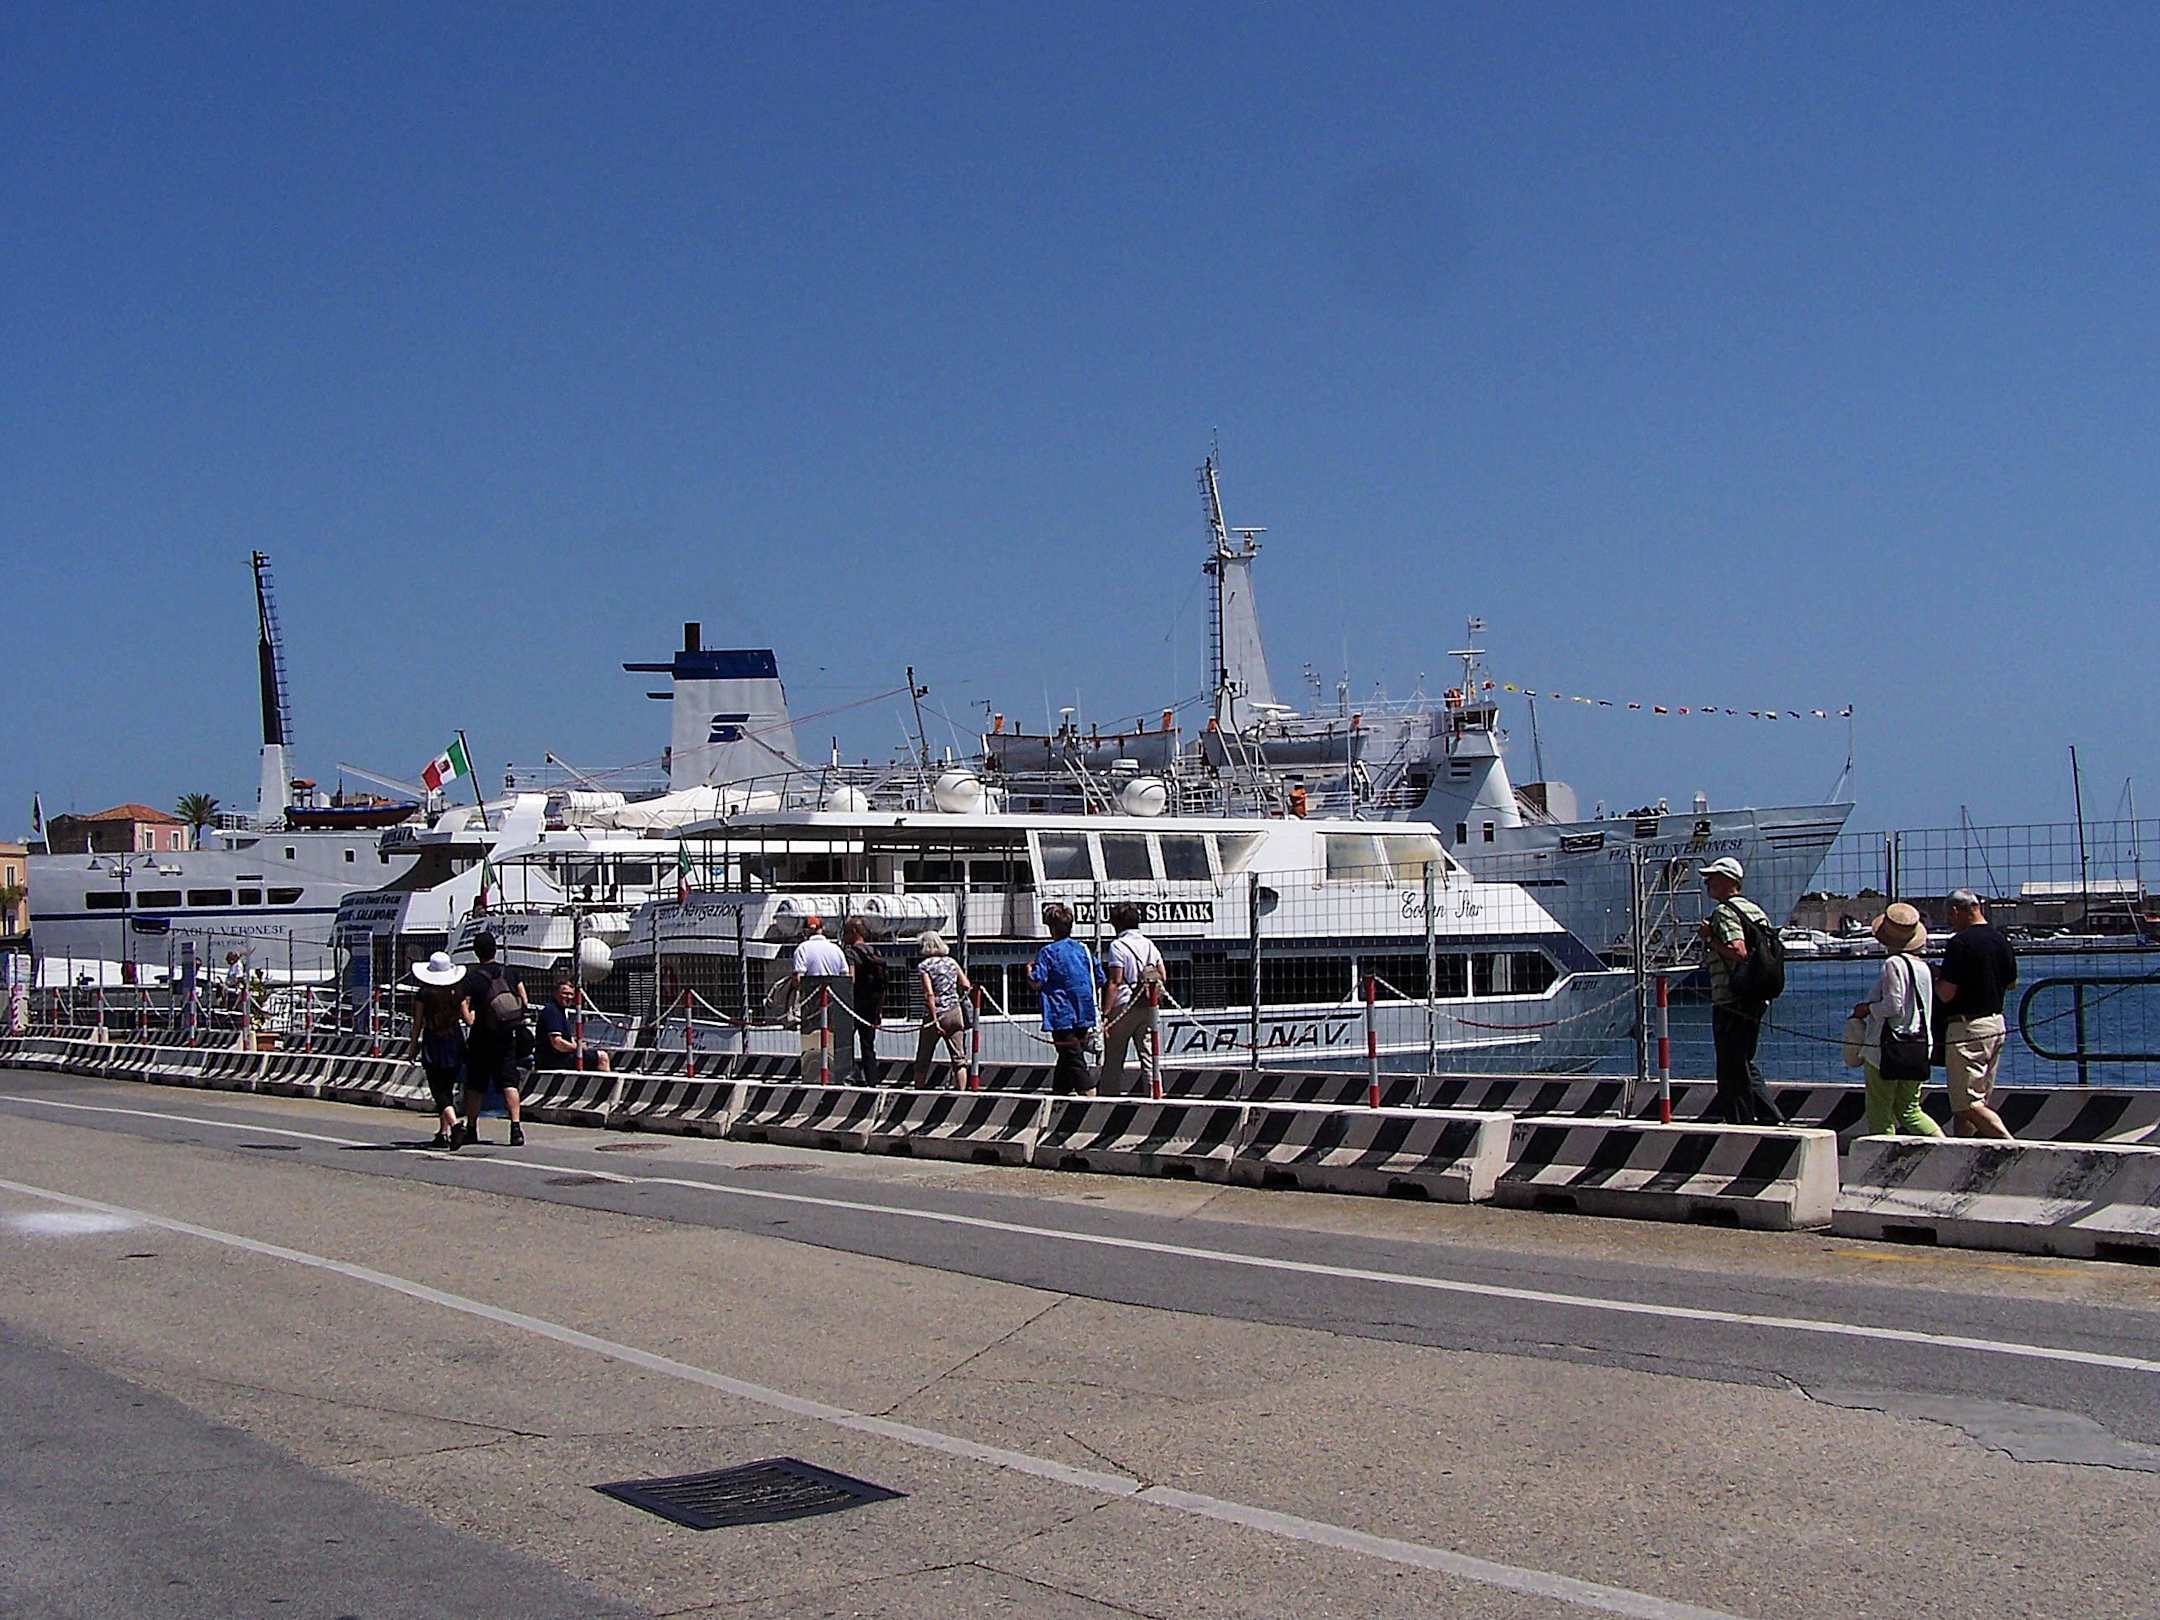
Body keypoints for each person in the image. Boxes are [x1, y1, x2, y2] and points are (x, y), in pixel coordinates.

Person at [1695, 856, 1783, 1125]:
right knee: (1743, 1059)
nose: (1707, 883)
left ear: (1728, 881)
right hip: (1757, 994)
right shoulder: (1755, 910)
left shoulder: (1724, 912)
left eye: (1712, 878)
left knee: (1730, 1064)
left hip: (1732, 997)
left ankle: (1740, 1121)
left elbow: (1738, 951)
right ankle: (1770, 1116)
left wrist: (1710, 938)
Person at [1853, 902, 1943, 1137]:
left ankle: (1881, 1152)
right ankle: (1943, 1144)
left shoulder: (1893, 964)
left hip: (1887, 1048)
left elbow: (1893, 1006)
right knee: (1909, 1109)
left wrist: (1867, 1009)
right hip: (1918, 1046)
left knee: (1880, 1111)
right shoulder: (1923, 967)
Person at [1936, 889, 2016, 1139]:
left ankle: (2013, 1146)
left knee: (1967, 1104)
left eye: (1949, 916)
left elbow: (1946, 993)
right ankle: (1963, 1149)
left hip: (1967, 1028)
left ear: (1956, 911)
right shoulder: (2000, 940)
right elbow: (2011, 983)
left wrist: (1935, 978)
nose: (1949, 922)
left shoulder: (1959, 943)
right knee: (1975, 1101)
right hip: (1995, 1024)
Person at [457, 932, 528, 1148]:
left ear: (476, 952)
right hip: (506, 1037)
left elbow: (462, 1004)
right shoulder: (511, 972)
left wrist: (471, 1021)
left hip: (481, 1038)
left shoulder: (473, 978)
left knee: (475, 1085)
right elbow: (524, 1001)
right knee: (509, 1083)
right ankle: (516, 1128)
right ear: (495, 949)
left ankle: (472, 1128)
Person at [1029, 902, 1099, 1095]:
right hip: (1084, 1010)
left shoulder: (1048, 952)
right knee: (1068, 1054)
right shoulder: (1083, 950)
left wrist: (1029, 971)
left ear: (1052, 928)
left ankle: (1089, 1092)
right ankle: (1060, 1090)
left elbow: (1037, 981)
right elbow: (1099, 977)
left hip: (1061, 1012)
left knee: (1072, 1055)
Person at [1099, 903, 1166, 1095]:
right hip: (1148, 1004)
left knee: (1114, 1055)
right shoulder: (1149, 944)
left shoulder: (1118, 946)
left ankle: (1109, 1096)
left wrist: (1106, 1014)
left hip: (1124, 1005)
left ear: (1117, 923)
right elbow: (1162, 974)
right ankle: (1154, 1092)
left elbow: (1115, 981)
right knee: (1148, 1054)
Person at [410, 950, 469, 1149]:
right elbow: (468, 1019)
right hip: (455, 1040)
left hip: (433, 1041)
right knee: (447, 1088)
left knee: (438, 1090)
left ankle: (455, 1126)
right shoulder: (457, 992)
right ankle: (443, 1132)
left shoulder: (424, 994)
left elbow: (418, 1023)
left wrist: (413, 1047)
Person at [789, 914, 854, 1082]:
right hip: (836, 1000)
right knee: (834, 1039)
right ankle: (837, 1075)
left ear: (805, 931)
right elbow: (845, 975)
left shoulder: (802, 949)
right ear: (822, 929)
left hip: (811, 1002)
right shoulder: (835, 949)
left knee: (813, 1040)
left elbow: (798, 978)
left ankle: (814, 1074)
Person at [909, 930, 973, 1088]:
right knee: (959, 1058)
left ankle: (919, 1090)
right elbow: (966, 984)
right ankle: (961, 1093)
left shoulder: (924, 966)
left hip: (936, 1014)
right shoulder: (952, 962)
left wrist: (935, 1020)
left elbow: (929, 994)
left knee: (923, 1057)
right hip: (954, 1011)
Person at [841, 916, 887, 1086]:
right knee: (868, 1046)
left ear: (854, 932)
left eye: (846, 933)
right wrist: (879, 1010)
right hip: (872, 1006)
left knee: (844, 1043)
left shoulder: (850, 952)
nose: (844, 937)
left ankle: (848, 1076)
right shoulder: (874, 952)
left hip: (854, 1005)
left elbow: (850, 978)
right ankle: (872, 1081)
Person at [534, 976, 611, 1074]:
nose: (569, 997)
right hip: (552, 1060)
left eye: (571, 994)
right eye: (565, 993)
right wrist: (577, 1048)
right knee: (602, 1057)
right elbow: (557, 1043)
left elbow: (566, 1039)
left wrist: (578, 1044)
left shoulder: (560, 1011)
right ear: (555, 994)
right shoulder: (552, 1011)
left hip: (557, 1057)